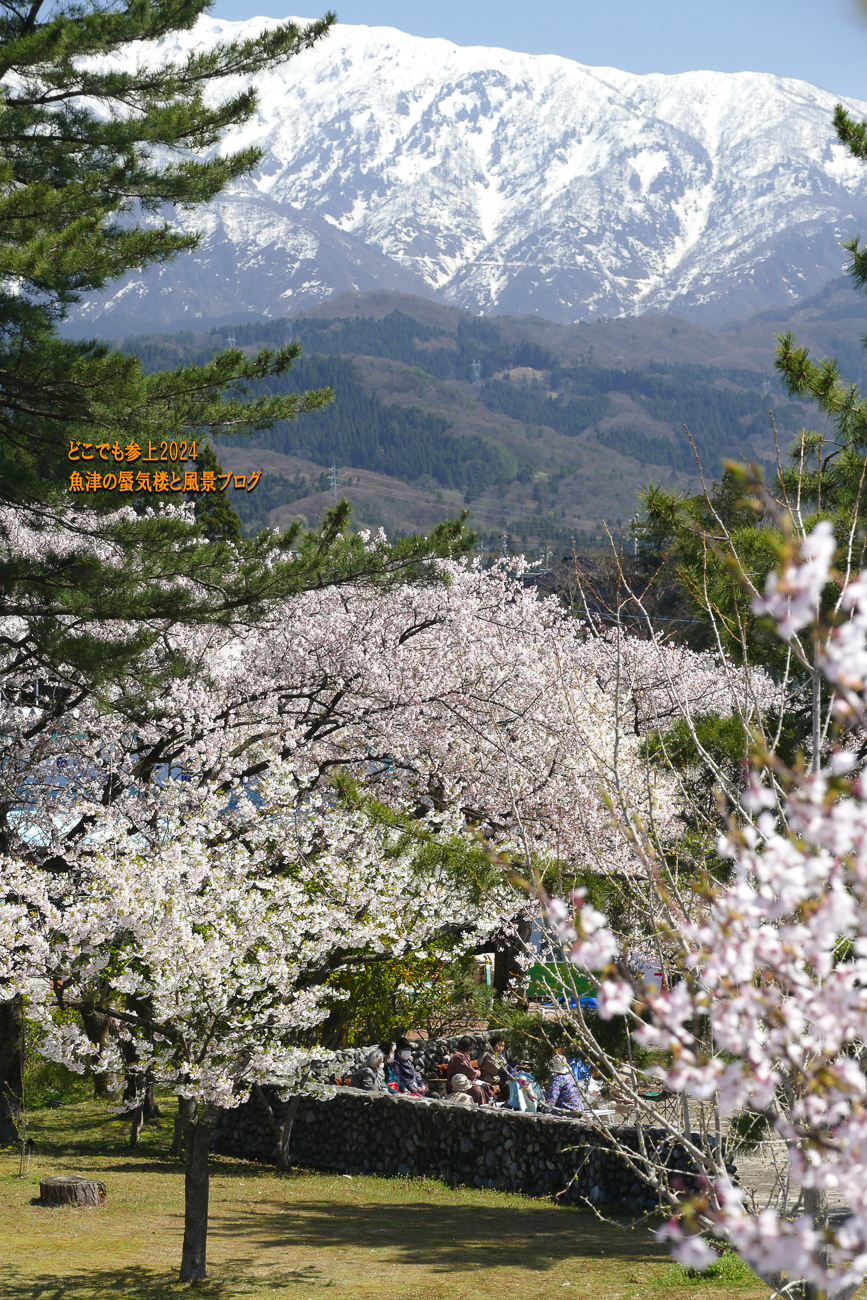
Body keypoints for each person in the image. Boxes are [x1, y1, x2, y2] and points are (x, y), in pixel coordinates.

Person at [446, 1036, 492, 1104]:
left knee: (487, 1086)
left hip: (467, 1081)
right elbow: (467, 1072)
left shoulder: (462, 1056)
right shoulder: (458, 1057)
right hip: (459, 1084)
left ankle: (489, 1104)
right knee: (478, 1090)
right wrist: (475, 1073)